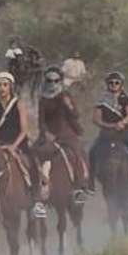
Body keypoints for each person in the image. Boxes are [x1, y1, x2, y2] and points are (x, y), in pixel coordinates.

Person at [0, 72, 43, 218]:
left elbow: (24, 130)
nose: (1, 88)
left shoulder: (18, 104)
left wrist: (13, 146)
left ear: (10, 86)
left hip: (18, 143)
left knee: (32, 163)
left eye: (5, 85)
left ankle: (37, 200)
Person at [88, 71, 128, 188]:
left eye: (117, 83)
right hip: (106, 133)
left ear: (121, 84)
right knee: (91, 150)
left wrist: (123, 122)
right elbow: (96, 118)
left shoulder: (125, 98)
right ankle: (90, 183)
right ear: (107, 84)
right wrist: (108, 125)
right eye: (111, 83)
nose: (114, 85)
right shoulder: (102, 99)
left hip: (124, 132)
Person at [36, 64, 92, 195]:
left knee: (78, 153)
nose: (52, 83)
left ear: (60, 81)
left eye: (56, 80)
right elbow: (41, 121)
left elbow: (76, 115)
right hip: (49, 135)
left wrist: (68, 105)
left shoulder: (65, 95)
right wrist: (46, 133)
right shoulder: (43, 99)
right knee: (34, 153)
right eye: (49, 80)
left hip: (67, 134)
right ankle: (38, 191)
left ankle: (80, 187)